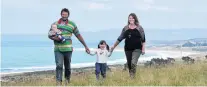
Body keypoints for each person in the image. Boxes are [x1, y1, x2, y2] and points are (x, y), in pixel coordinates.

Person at [48, 8, 90, 85]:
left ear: (68, 15)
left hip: (68, 49)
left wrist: (86, 46)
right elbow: (49, 35)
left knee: (67, 67)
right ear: (61, 14)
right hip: (58, 49)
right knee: (59, 66)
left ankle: (67, 83)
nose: (64, 16)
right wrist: (56, 38)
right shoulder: (55, 24)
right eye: (63, 14)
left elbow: (78, 35)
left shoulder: (72, 24)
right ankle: (58, 84)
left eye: (66, 15)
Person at [111, 13, 146, 79]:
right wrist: (113, 46)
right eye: (130, 18)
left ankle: (132, 78)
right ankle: (131, 76)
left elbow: (143, 39)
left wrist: (143, 49)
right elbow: (120, 38)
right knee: (129, 64)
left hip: (137, 49)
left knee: (133, 63)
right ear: (128, 19)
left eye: (132, 18)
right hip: (128, 49)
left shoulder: (140, 28)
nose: (131, 19)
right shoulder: (125, 28)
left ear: (135, 19)